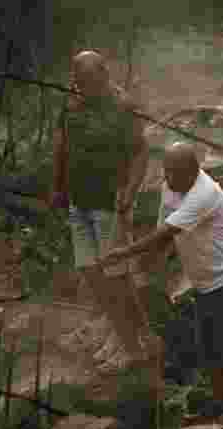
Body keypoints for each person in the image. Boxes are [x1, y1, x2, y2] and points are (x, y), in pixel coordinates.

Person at [100, 143, 223, 427]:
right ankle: (219, 404)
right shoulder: (170, 187)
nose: (167, 178)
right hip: (205, 280)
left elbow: (165, 233)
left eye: (173, 173)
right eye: (166, 172)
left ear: (192, 172)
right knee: (209, 346)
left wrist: (123, 253)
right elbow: (164, 232)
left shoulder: (204, 194)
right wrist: (149, 268)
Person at [51, 49, 158, 372]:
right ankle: (136, 338)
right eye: (80, 82)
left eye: (92, 81)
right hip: (78, 202)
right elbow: (61, 147)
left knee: (116, 279)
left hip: (108, 203)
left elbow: (141, 153)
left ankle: (133, 348)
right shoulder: (70, 104)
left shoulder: (122, 107)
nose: (86, 87)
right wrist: (56, 186)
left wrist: (130, 192)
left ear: (104, 75)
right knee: (93, 275)